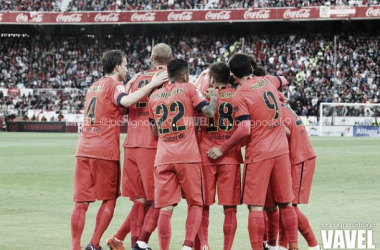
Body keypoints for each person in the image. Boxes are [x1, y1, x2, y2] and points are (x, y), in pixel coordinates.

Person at [71, 50, 168, 250]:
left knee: (80, 203)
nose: (126, 68)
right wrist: (152, 84)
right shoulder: (114, 85)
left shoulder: (93, 86)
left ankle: (75, 246)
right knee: (109, 200)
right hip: (104, 149)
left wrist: (130, 84)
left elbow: (115, 107)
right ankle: (95, 243)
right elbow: (124, 101)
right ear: (117, 67)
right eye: (124, 65)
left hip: (83, 147)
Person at [207, 53, 299, 250]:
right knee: (286, 203)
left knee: (255, 207)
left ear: (233, 74)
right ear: (251, 67)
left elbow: (245, 129)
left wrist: (223, 148)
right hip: (281, 150)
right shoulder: (267, 80)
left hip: (259, 153)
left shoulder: (241, 95)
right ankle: (294, 246)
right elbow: (283, 79)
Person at [107, 43, 173, 250]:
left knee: (140, 199)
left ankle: (123, 240)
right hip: (153, 145)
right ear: (170, 59)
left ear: (151, 58)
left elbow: (124, 107)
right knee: (159, 200)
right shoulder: (169, 78)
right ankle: (139, 243)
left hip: (132, 142)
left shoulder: (136, 79)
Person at [148, 59, 218, 250]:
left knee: (165, 208)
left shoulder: (153, 96)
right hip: (187, 156)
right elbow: (210, 113)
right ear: (185, 75)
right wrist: (214, 97)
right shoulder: (188, 88)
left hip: (163, 157)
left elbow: (155, 131)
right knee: (196, 203)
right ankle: (187, 246)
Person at [195, 62, 243, 250]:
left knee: (202, 205)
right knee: (230, 208)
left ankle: (204, 245)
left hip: (205, 154)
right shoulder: (238, 96)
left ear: (212, 79)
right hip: (230, 156)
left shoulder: (203, 98)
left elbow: (196, 125)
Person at [271, 101, 319, 250]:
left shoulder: (275, 110)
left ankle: (314, 245)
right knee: (284, 204)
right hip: (296, 157)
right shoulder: (282, 106)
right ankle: (282, 246)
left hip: (300, 158)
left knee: (290, 206)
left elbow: (286, 131)